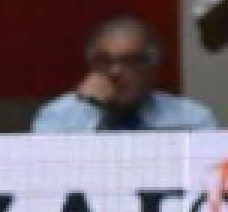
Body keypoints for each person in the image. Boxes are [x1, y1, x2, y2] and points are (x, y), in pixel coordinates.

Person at [31, 16, 217, 132]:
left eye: (129, 61)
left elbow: (210, 178)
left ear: (153, 70)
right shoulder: (58, 116)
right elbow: (52, 176)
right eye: (104, 61)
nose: (115, 72)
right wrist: (90, 113)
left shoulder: (190, 118)